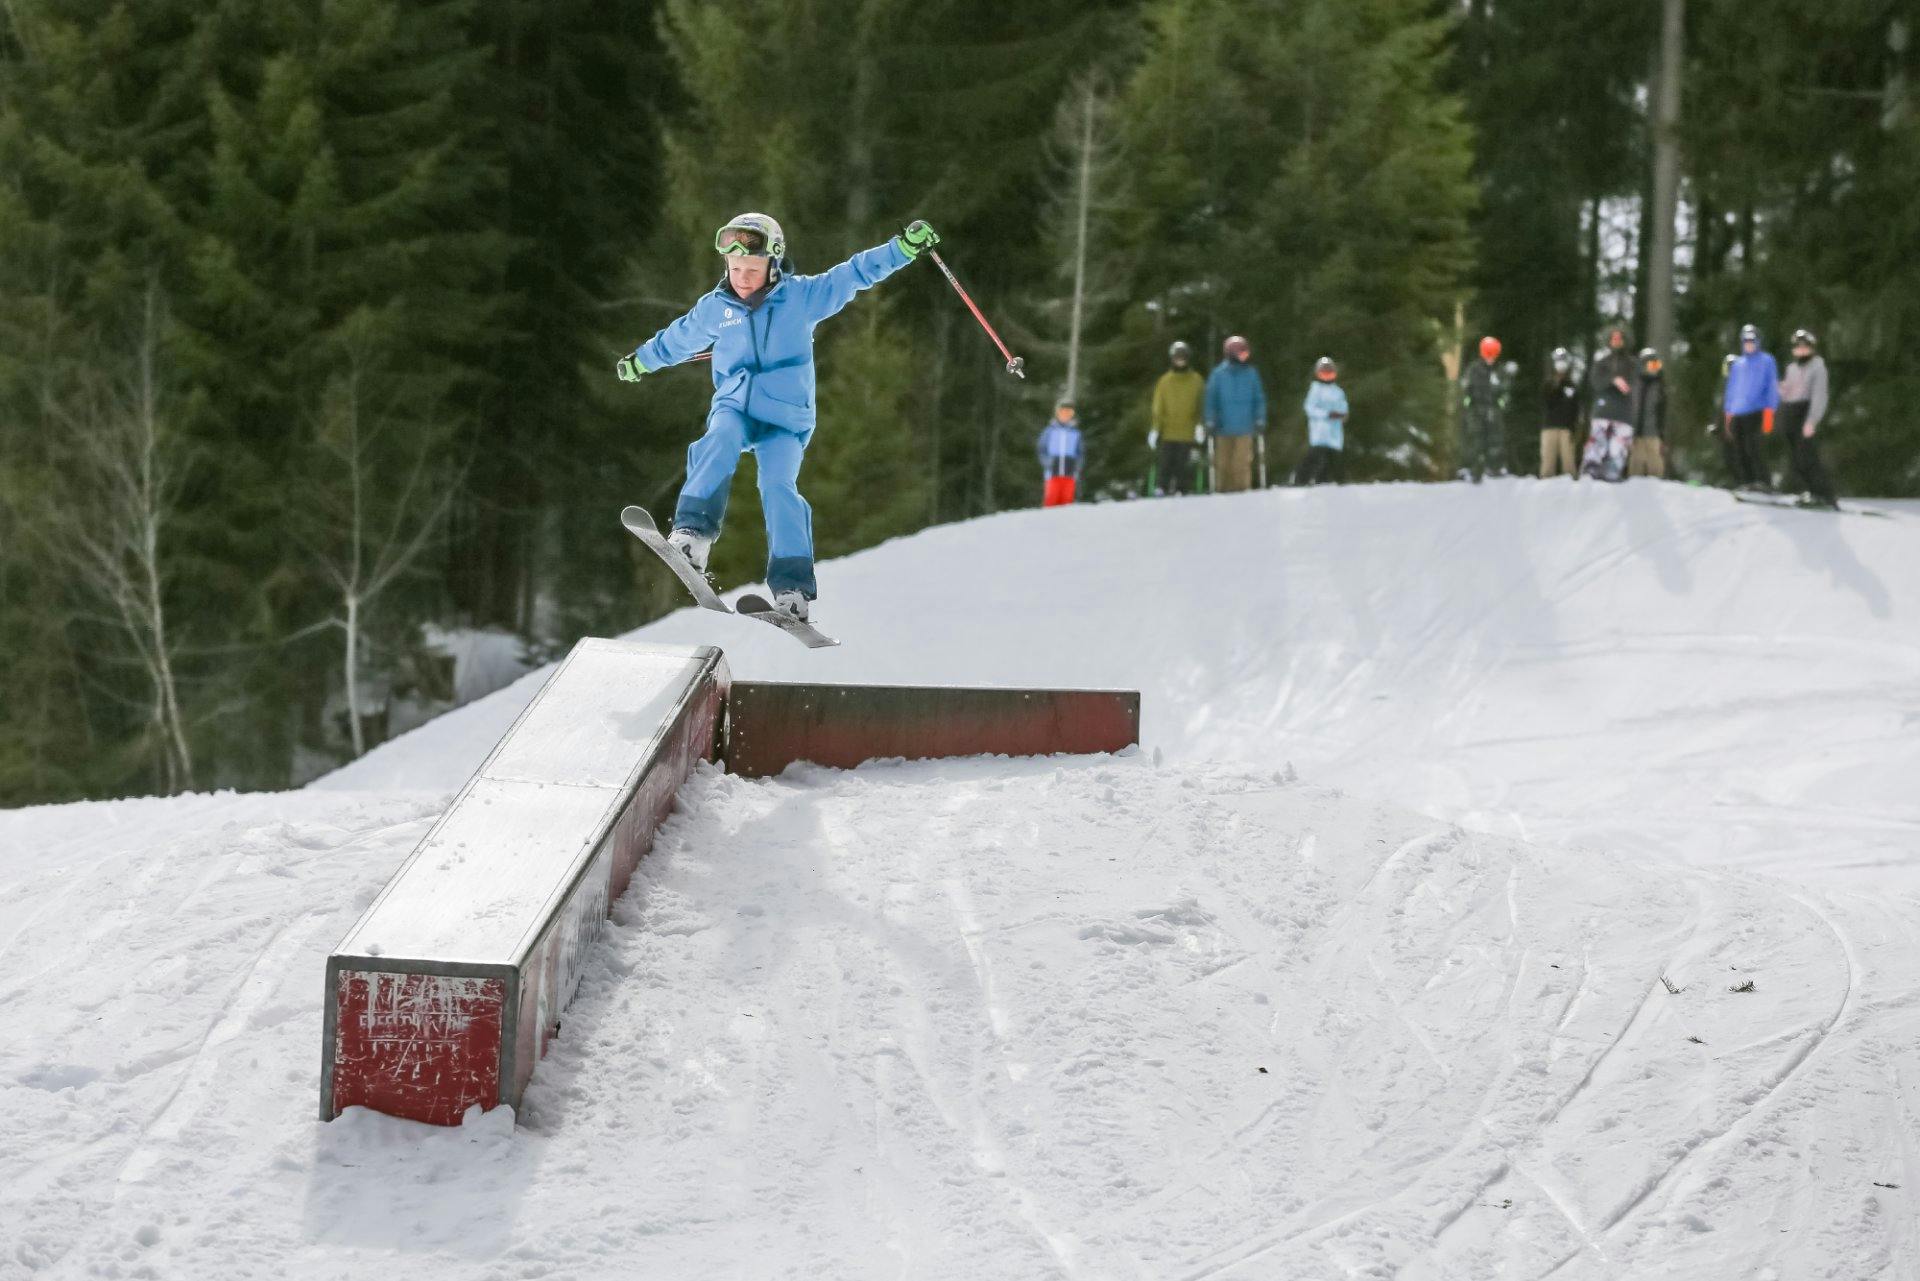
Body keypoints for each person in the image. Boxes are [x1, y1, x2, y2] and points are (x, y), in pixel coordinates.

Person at [617, 212, 939, 622]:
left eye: (751, 269)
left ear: (773, 263)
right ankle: (693, 535)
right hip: (736, 404)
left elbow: (855, 273)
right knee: (718, 438)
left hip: (785, 419)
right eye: (735, 269)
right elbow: (678, 338)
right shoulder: (716, 308)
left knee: (778, 487)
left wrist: (903, 249)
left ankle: (792, 589)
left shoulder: (802, 298)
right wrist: (641, 362)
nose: (742, 277)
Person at [1777, 328, 1837, 507]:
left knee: (1808, 456)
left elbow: (1819, 395)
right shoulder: (1792, 368)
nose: (1801, 350)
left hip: (1806, 412)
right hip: (1791, 412)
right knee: (1796, 457)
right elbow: (1787, 392)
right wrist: (1779, 388)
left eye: (1805, 347)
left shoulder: (1818, 366)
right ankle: (1811, 491)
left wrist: (1812, 420)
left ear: (1811, 348)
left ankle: (1824, 494)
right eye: (1798, 347)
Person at [1204, 334, 1267, 493]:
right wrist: (1210, 420)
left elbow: (1258, 398)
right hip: (1223, 426)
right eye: (1241, 353)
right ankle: (1222, 492)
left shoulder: (1250, 374)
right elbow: (1211, 399)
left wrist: (1260, 418)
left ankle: (1241, 492)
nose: (1244, 357)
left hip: (1244, 426)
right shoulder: (1219, 375)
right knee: (1223, 463)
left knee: (1241, 463)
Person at [1722, 322, 1780, 490]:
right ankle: (1747, 481)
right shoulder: (1738, 364)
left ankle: (1763, 482)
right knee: (1739, 449)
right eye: (1746, 341)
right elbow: (1731, 389)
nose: (1749, 344)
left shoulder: (1766, 360)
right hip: (1738, 413)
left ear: (1758, 342)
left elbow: (1771, 386)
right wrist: (1728, 412)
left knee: (1753, 447)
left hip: (1757, 411)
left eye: (1752, 341)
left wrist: (1770, 411)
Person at [1149, 341, 1206, 495]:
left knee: (1183, 462)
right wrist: (1155, 428)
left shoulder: (1196, 380)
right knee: (1166, 461)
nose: (1180, 361)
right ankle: (1162, 486)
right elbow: (1158, 407)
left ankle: (1182, 488)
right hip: (1168, 431)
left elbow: (1201, 404)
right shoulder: (1165, 381)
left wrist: (1200, 425)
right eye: (1177, 358)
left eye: (1183, 358)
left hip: (1187, 431)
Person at [1583, 325, 1636, 482]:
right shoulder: (1601, 362)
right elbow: (1595, 383)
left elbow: (1636, 385)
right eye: (1613, 338)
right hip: (1603, 410)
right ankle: (1591, 469)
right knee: (1597, 442)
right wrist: (1613, 380)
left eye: (1619, 338)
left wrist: (1628, 386)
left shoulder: (1633, 364)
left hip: (1624, 413)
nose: (1616, 340)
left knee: (1618, 446)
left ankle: (1613, 470)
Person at [1458, 335, 1509, 482]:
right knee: (1475, 438)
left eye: (1493, 354)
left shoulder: (1499, 370)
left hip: (1493, 409)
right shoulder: (1474, 369)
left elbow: (1505, 390)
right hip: (1476, 410)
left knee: (1495, 438)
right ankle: (1471, 469)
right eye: (1488, 354)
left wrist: (1502, 402)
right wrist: (1467, 402)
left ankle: (1495, 467)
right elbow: (1466, 388)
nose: (1490, 358)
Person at [1295, 356, 1348, 485]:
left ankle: (1330, 482)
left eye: (1329, 372)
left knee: (1334, 460)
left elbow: (1344, 408)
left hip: (1335, 434)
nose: (1326, 375)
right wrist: (1327, 414)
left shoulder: (1338, 392)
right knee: (1314, 457)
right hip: (1320, 432)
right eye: (1323, 372)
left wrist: (1340, 415)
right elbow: (1310, 408)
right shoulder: (1316, 389)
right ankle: (1300, 481)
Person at [1540, 347, 1581, 478]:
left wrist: (1575, 427)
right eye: (1558, 361)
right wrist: (1555, 384)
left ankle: (1571, 488)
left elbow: (1575, 407)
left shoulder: (1571, 385)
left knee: (1569, 464)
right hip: (1549, 427)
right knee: (1547, 465)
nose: (1560, 364)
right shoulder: (1547, 384)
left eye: (1563, 361)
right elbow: (1545, 402)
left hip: (1566, 428)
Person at [1037, 398, 1084, 506]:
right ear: (1057, 413)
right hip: (1052, 473)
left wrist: (1077, 466)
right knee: (1051, 500)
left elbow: (1080, 452)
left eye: (1069, 412)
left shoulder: (1075, 433)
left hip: (1069, 473)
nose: (1065, 415)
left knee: (1067, 501)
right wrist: (1048, 462)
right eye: (1063, 412)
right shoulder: (1049, 431)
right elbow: (1041, 450)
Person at [1628, 347, 1667, 478]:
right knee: (1636, 464)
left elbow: (1662, 411)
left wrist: (1662, 433)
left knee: (1654, 464)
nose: (1654, 368)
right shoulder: (1635, 383)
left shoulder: (1659, 385)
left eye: (1657, 365)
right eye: (1652, 365)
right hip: (1635, 433)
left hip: (1653, 432)